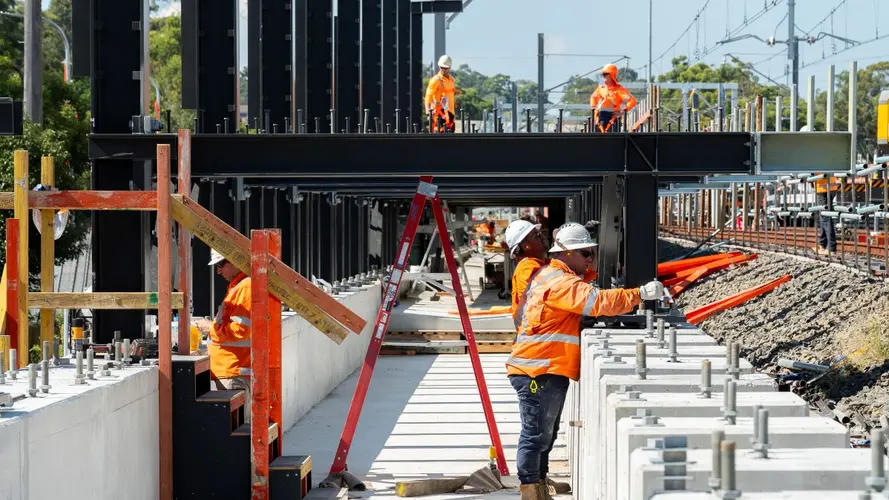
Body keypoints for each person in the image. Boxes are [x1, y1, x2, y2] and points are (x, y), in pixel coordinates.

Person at [507, 223, 664, 499]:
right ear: (567, 253)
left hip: (545, 366)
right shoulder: (558, 282)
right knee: (535, 436)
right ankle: (531, 491)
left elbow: (583, 279)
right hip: (537, 369)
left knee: (546, 434)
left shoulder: (555, 273)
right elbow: (597, 302)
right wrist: (639, 295)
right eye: (586, 253)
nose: (591, 259)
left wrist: (589, 258)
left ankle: (539, 484)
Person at [207, 248, 253, 421]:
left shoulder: (245, 287)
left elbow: (240, 331)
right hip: (230, 371)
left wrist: (210, 329)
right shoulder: (237, 287)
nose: (218, 271)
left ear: (234, 261)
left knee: (235, 432)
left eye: (220, 265)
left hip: (233, 373)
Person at [589, 64, 637, 133]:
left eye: (605, 74)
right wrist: (593, 107)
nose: (603, 76)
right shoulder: (601, 88)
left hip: (612, 120)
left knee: (611, 140)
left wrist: (622, 112)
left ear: (611, 75)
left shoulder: (619, 90)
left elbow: (632, 101)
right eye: (603, 74)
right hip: (599, 119)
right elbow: (593, 97)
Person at [425, 55, 457, 132]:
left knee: (451, 141)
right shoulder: (435, 80)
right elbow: (427, 97)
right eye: (441, 67)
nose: (443, 69)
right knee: (438, 141)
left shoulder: (451, 80)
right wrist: (428, 112)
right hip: (439, 116)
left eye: (445, 68)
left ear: (449, 67)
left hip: (450, 116)